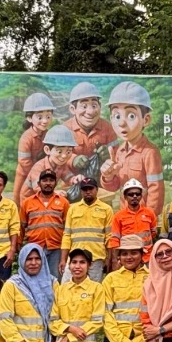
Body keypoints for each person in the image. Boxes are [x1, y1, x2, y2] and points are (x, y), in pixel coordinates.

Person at [100, 81, 165, 215]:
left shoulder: (150, 153)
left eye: (131, 116)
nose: (122, 123)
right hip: (125, 214)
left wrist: (149, 217)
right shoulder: (120, 151)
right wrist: (108, 177)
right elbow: (115, 187)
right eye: (117, 116)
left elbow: (156, 189)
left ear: (146, 120)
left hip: (143, 215)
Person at [62, 177, 113, 281]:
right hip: (75, 257)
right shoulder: (73, 209)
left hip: (96, 258)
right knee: (66, 286)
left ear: (96, 190)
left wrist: (109, 258)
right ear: (81, 191)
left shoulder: (106, 209)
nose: (88, 191)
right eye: (85, 189)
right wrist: (63, 259)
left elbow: (110, 237)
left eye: (90, 188)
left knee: (94, 288)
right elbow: (67, 235)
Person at [21, 168, 70, 275]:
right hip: (34, 249)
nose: (48, 183)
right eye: (45, 180)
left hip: (56, 249)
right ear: (39, 183)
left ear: (55, 183)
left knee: (54, 279)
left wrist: (64, 254)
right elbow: (21, 227)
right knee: (35, 278)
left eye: (51, 180)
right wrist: (19, 246)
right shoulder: (27, 202)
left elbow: (67, 230)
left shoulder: (64, 202)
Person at [13, 92, 57, 204]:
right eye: (40, 117)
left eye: (48, 116)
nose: (45, 121)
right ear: (29, 118)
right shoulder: (26, 138)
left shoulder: (49, 134)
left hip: (43, 174)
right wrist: (36, 173)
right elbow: (24, 161)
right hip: (24, 174)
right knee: (19, 199)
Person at [109, 177, 158, 266]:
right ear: (125, 197)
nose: (134, 196)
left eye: (137, 194)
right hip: (128, 259)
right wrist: (117, 259)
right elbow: (115, 240)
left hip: (147, 258)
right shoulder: (118, 216)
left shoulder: (149, 213)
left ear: (141, 196)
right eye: (131, 194)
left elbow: (153, 233)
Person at [61, 81, 117, 160]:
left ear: (100, 106)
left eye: (94, 105)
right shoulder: (64, 130)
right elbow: (57, 156)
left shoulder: (108, 128)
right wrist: (73, 160)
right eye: (84, 106)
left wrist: (109, 154)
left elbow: (117, 154)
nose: (90, 112)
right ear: (73, 109)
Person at [30, 125, 82, 194]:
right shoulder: (39, 167)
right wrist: (54, 193)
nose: (64, 156)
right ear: (47, 150)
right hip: (30, 197)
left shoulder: (61, 165)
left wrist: (75, 179)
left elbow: (68, 177)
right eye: (59, 151)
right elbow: (37, 188)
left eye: (68, 152)